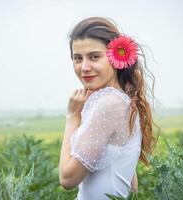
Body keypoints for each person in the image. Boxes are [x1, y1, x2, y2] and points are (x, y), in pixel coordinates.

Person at [59, 17, 157, 200]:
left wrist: (72, 116)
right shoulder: (124, 101)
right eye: (77, 58)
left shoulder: (108, 105)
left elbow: (67, 178)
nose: (84, 67)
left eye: (94, 56)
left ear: (115, 57)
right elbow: (131, 183)